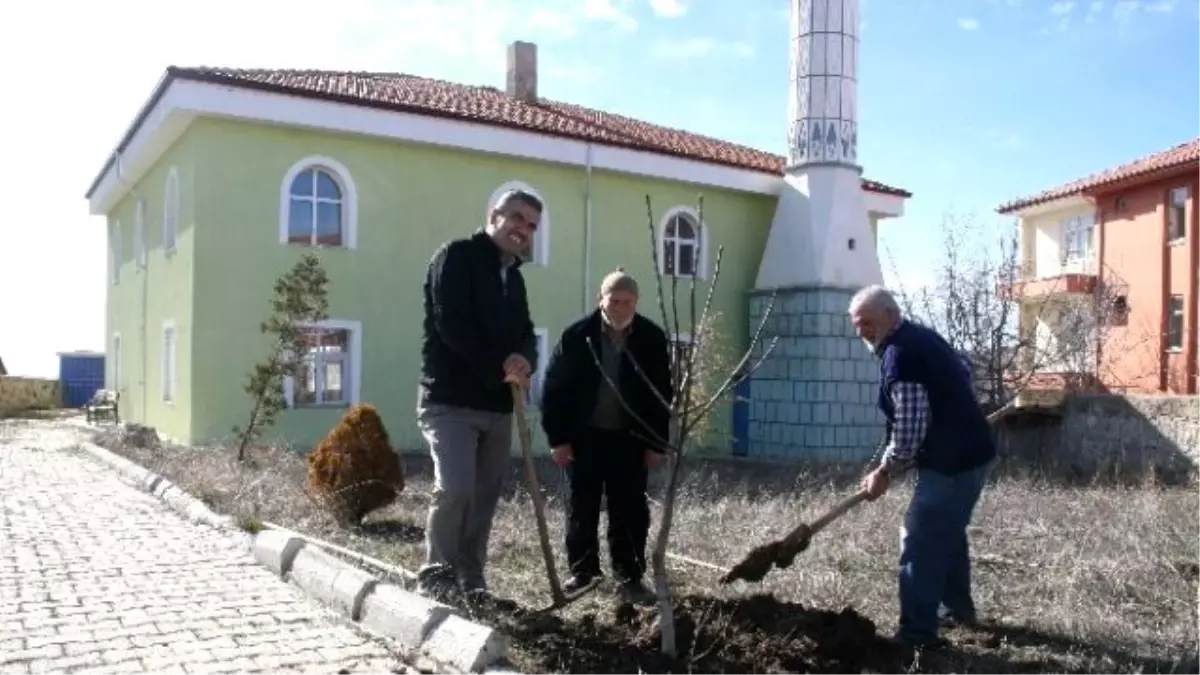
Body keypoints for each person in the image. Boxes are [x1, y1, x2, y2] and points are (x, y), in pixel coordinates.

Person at [848, 284, 997, 651]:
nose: (860, 331)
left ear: (890, 316)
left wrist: (884, 472)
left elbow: (910, 430)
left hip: (953, 461)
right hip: (974, 452)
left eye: (866, 322)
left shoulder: (902, 355)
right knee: (946, 530)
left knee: (921, 538)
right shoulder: (922, 338)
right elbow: (962, 369)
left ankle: (917, 634)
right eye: (855, 324)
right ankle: (957, 612)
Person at [415, 188, 541, 598]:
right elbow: (452, 325)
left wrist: (524, 359)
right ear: (494, 214)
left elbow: (525, 331)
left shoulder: (515, 277)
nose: (523, 229)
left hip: (498, 406)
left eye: (531, 225)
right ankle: (437, 576)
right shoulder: (456, 257)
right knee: (456, 488)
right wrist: (498, 366)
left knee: (484, 497)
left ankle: (471, 580)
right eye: (517, 218)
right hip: (450, 400)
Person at [539, 269, 673, 605]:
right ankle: (584, 572)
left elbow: (662, 393)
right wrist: (558, 439)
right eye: (614, 300)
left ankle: (629, 575)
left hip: (629, 442)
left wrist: (656, 442)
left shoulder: (651, 339)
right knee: (581, 508)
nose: (619, 307)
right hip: (583, 440)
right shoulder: (577, 336)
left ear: (636, 303)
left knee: (629, 509)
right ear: (601, 299)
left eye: (626, 302)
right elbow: (554, 391)